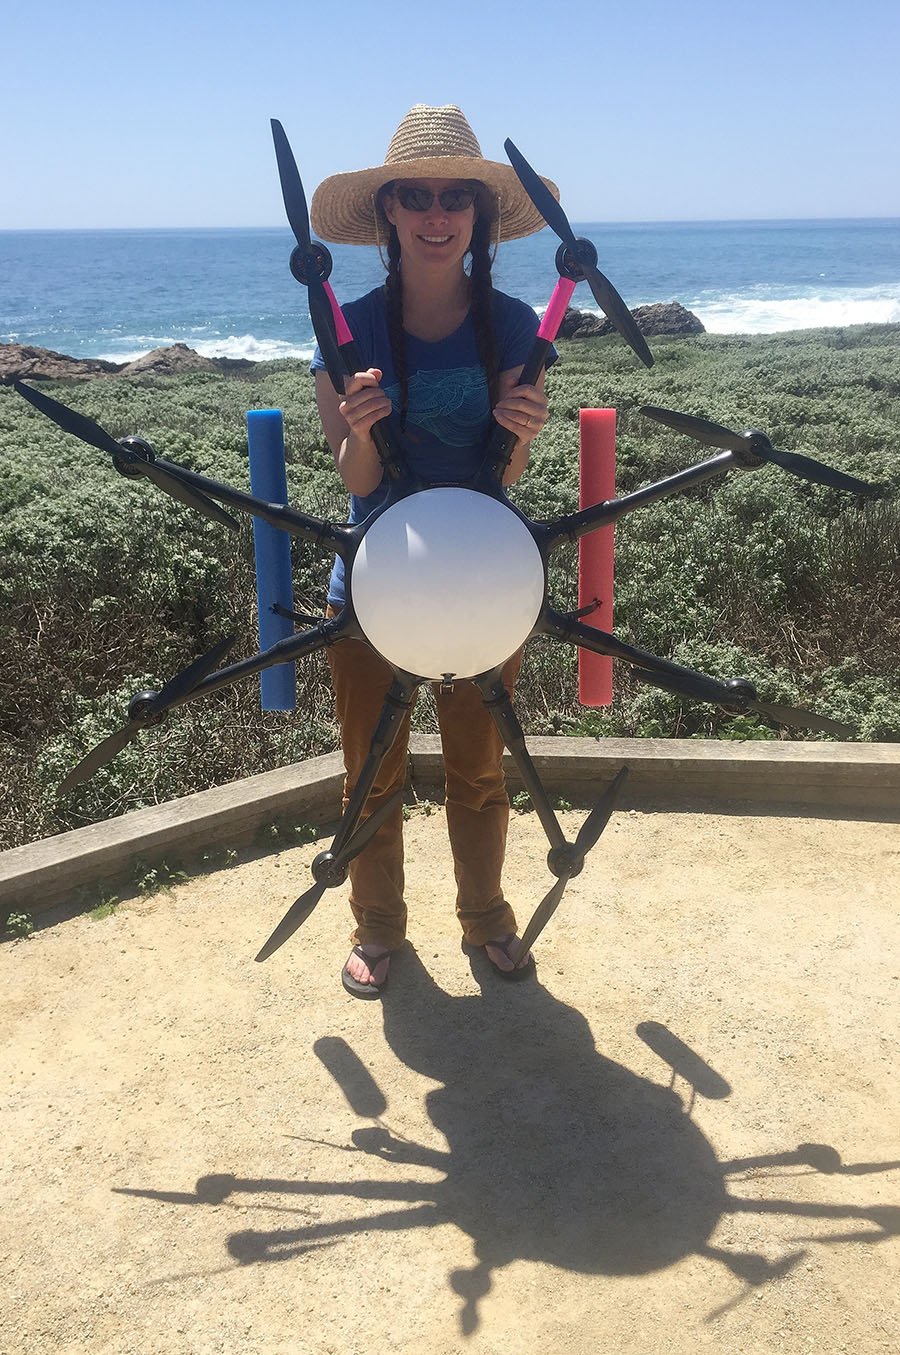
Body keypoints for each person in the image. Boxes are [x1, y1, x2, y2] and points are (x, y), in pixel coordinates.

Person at [309, 104, 557, 997]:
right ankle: (378, 928)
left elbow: (508, 475)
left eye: (457, 197)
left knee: (480, 769)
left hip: (484, 585)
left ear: (480, 216)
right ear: (389, 211)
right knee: (369, 773)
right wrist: (362, 428)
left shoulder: (515, 324)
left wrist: (520, 427)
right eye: (416, 196)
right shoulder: (347, 328)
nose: (437, 213)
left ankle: (485, 916)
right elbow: (356, 476)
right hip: (372, 585)